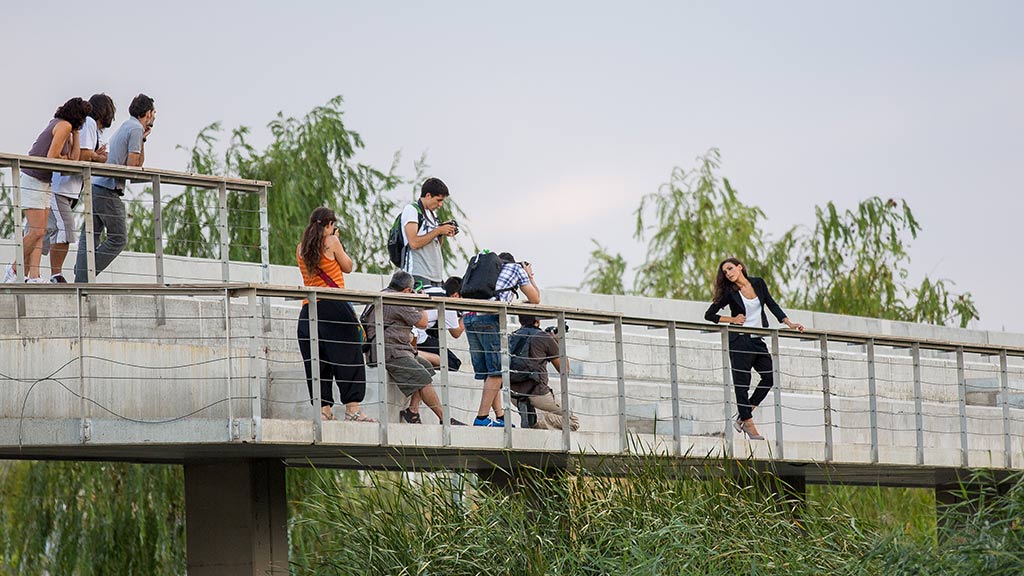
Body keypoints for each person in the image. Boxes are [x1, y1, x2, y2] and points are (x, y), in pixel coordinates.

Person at [704, 257, 804, 440]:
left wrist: (788, 322)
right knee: (742, 384)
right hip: (740, 340)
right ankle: (749, 424)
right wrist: (732, 320)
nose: (728, 273)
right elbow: (709, 315)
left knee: (769, 377)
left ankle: (743, 415)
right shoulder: (729, 292)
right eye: (725, 272)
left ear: (740, 267)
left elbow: (771, 303)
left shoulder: (758, 283)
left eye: (730, 269)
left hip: (757, 340)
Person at [295, 207, 374, 422]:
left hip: (309, 309)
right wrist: (335, 240)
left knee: (317, 360)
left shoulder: (301, 248)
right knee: (349, 357)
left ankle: (324, 410)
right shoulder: (332, 242)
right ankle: (352, 409)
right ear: (329, 225)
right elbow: (348, 266)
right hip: (334, 307)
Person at [4, 97, 91, 283]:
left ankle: (34, 276)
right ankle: (12, 269)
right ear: (79, 116)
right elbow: (52, 157)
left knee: (40, 231)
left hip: (44, 181)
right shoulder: (63, 126)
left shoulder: (67, 128)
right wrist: (65, 156)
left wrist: (76, 134)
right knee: (36, 231)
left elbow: (73, 159)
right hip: (33, 179)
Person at [74, 93, 156, 283]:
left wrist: (143, 140)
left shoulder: (129, 126)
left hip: (95, 184)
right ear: (149, 113)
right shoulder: (135, 128)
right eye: (154, 113)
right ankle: (85, 275)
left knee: (90, 236)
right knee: (118, 238)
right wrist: (141, 138)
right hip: (107, 188)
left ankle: (81, 276)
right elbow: (133, 166)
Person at [364, 270, 464, 426]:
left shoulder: (384, 294)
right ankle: (445, 418)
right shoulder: (398, 300)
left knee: (426, 365)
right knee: (422, 376)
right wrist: (419, 301)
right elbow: (423, 323)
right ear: (407, 290)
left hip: (388, 349)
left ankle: (412, 411)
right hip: (391, 351)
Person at [463, 252, 540, 427]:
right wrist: (528, 274)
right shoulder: (516, 269)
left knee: (489, 372)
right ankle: (481, 419)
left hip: (468, 317)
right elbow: (535, 299)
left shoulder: (486, 271)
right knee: (498, 371)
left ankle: (500, 418)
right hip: (488, 318)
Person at [45, 94, 115, 283]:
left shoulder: (89, 126)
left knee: (41, 233)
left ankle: (25, 273)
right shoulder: (91, 124)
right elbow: (83, 155)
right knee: (65, 230)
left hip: (66, 189)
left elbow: (85, 154)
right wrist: (97, 156)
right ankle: (55, 275)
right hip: (62, 188)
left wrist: (94, 155)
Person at [403, 276, 465, 423]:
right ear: (456, 295)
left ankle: (413, 409)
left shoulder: (434, 289)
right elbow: (456, 332)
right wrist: (469, 315)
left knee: (426, 366)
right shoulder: (447, 301)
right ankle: (416, 354)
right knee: (452, 363)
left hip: (412, 334)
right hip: (417, 337)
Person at [509, 314, 579, 431]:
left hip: (514, 395)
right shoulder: (544, 337)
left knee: (544, 427)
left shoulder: (513, 336)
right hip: (537, 394)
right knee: (573, 422)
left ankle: (532, 417)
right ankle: (536, 416)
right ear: (538, 321)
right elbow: (564, 370)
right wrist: (557, 342)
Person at [401, 177, 457, 288]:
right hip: (418, 273)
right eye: (438, 200)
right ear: (428, 195)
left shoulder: (433, 215)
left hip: (435, 275)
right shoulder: (412, 210)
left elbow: (436, 245)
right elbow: (414, 243)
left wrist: (442, 232)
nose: (440, 204)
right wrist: (438, 230)